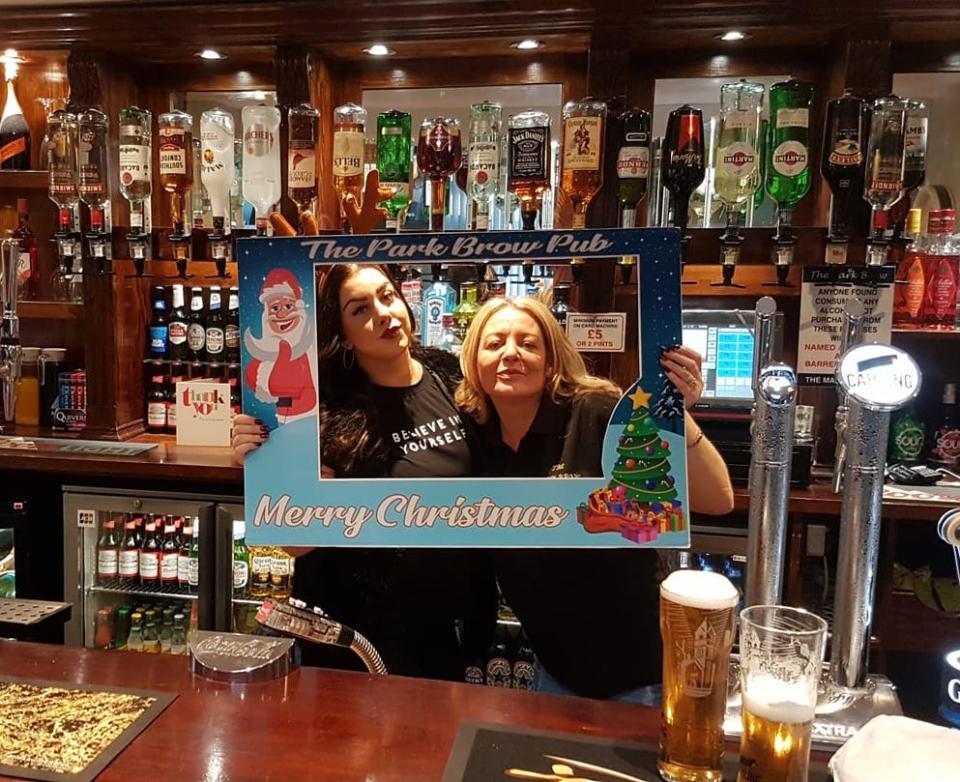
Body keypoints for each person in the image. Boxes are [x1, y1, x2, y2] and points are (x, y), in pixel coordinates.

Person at [456, 296, 734, 702]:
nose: (511, 354)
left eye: (528, 344)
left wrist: (674, 414)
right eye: (494, 343)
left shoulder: (596, 411)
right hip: (554, 669)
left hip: (638, 674)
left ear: (551, 361)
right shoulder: (476, 436)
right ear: (473, 363)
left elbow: (718, 497)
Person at [233, 263, 495, 680]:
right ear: (343, 335)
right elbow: (295, 542)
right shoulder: (324, 412)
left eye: (387, 296)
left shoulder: (449, 373)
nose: (384, 314)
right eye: (360, 310)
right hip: (355, 640)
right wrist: (263, 459)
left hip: (446, 628)